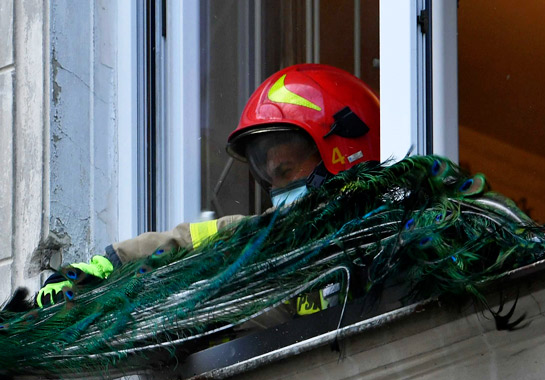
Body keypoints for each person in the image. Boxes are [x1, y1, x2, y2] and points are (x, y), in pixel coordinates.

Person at [38, 63, 381, 310]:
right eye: (271, 179)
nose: (278, 192)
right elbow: (182, 243)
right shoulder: (268, 238)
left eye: (287, 170)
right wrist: (105, 266)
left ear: (344, 153)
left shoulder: (393, 235)